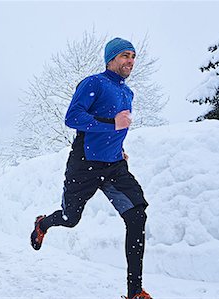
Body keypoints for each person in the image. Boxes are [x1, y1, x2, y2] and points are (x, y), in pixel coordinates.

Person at [30, 37, 152, 299]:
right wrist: (111, 124)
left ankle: (134, 292)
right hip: (84, 164)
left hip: (114, 166)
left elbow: (120, 127)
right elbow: (73, 117)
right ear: (111, 59)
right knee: (70, 218)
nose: (130, 61)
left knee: (137, 215)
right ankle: (43, 223)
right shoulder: (94, 83)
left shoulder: (127, 93)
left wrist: (118, 147)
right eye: (124, 56)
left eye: (133, 56)